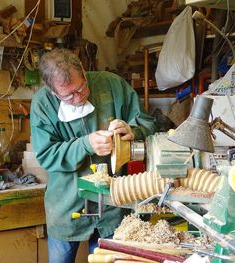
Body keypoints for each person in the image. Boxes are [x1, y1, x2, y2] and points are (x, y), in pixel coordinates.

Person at [30, 48, 156, 263]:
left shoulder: (113, 85)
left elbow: (146, 124)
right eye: (68, 95)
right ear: (53, 92)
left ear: (84, 73)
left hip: (113, 205)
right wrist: (85, 145)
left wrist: (132, 130)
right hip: (67, 205)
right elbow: (46, 154)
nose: (78, 97)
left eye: (81, 88)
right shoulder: (43, 104)